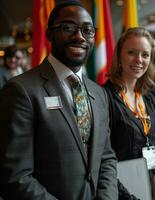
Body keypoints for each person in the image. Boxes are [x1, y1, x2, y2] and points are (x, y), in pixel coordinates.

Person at [0, 1, 118, 199]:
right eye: (68, 28)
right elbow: (15, 176)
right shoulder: (21, 90)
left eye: (87, 30)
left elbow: (105, 157)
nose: (79, 36)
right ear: (49, 34)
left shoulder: (99, 93)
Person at [103, 27, 155, 200]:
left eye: (145, 55)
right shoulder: (104, 96)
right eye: (131, 52)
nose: (139, 60)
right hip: (119, 190)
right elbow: (102, 156)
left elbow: (154, 146)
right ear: (119, 56)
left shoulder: (149, 97)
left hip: (151, 187)